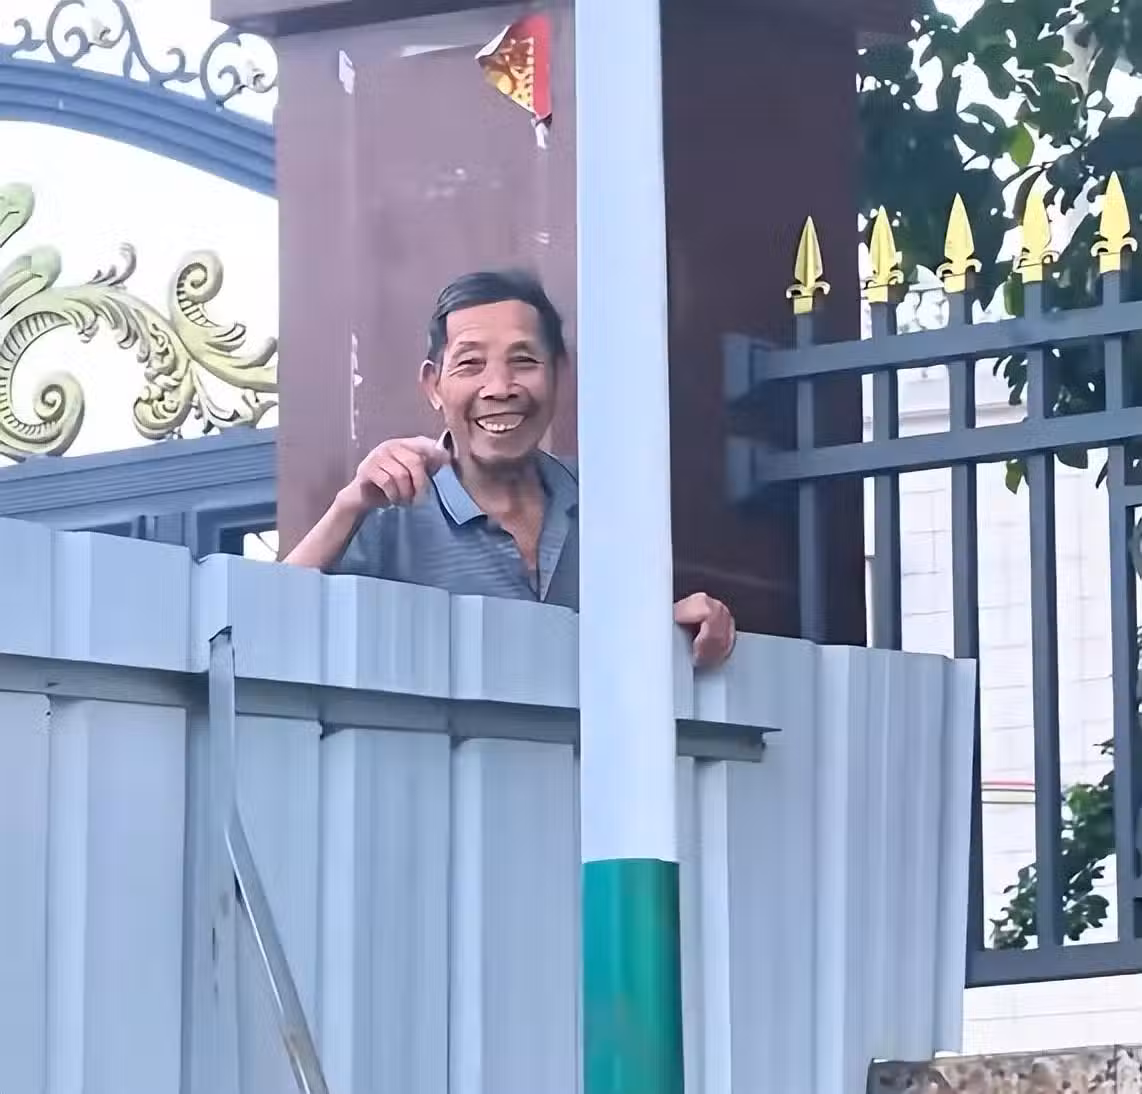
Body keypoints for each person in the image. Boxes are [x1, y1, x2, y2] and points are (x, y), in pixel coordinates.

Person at [284, 269, 737, 668]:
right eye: (470, 364)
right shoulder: (390, 509)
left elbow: (626, 642)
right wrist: (349, 506)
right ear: (433, 385)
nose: (499, 387)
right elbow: (265, 623)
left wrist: (678, 629)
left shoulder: (606, 503)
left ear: (558, 374)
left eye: (523, 361)